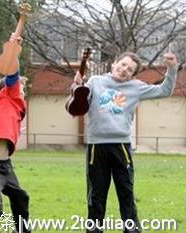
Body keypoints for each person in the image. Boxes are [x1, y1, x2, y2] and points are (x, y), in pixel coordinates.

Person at [72, 51, 178, 233]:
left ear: (132, 75)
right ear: (114, 63)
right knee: (96, 195)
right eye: (122, 65)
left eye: (129, 70)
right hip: (96, 147)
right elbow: (79, 103)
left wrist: (172, 69)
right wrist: (77, 86)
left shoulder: (135, 87)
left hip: (120, 146)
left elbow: (164, 90)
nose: (123, 70)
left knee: (126, 193)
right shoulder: (96, 82)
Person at [0, 34, 30, 233]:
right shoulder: (8, 95)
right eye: (22, 89)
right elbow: (12, 74)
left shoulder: (13, 109)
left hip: (4, 165)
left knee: (20, 197)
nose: (23, 92)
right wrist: (12, 49)